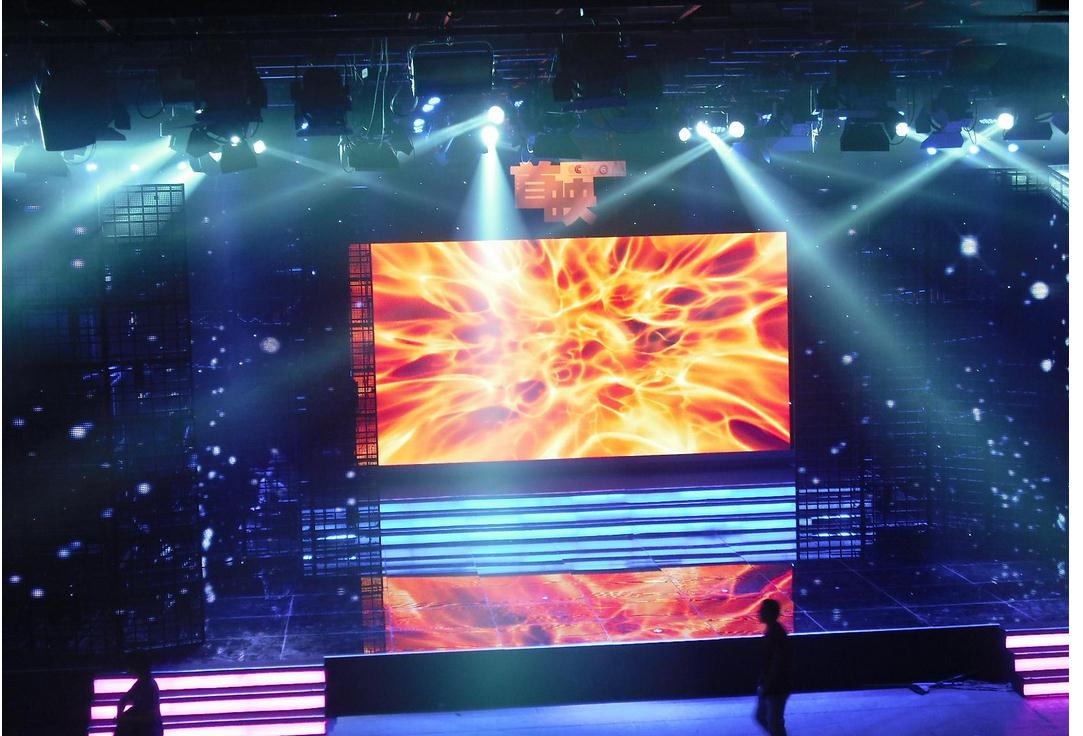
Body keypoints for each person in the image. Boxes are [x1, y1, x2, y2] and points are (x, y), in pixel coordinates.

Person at [754, 598, 791, 736]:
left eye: (762, 611)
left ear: (769, 613)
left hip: (776, 686)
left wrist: (767, 685)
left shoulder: (776, 634)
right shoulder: (773, 631)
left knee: (774, 721)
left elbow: (778, 664)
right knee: (767, 719)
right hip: (771, 684)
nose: (759, 613)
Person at [114, 652, 164, 736]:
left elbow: (149, 717)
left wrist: (124, 718)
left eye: (129, 667)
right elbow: (123, 700)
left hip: (149, 730)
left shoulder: (147, 686)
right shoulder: (143, 683)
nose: (127, 671)